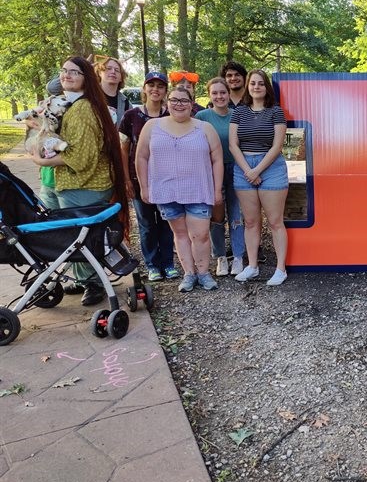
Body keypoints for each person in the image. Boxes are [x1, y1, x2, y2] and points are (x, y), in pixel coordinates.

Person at [31, 56, 129, 306]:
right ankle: (87, 280)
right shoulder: (70, 105)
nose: (67, 75)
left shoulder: (84, 109)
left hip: (85, 185)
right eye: (64, 71)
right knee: (76, 236)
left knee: (82, 238)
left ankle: (95, 284)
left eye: (74, 72)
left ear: (87, 78)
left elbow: (81, 157)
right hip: (72, 184)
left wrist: (43, 162)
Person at [135, 86, 224, 292]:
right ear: (167, 102)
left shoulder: (204, 128)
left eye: (184, 100)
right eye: (174, 100)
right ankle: (189, 274)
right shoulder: (152, 126)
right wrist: (144, 187)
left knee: (200, 235)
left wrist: (217, 189)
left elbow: (217, 159)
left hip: (198, 190)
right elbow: (142, 157)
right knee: (180, 234)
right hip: (167, 190)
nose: (179, 104)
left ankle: (203, 273)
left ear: (192, 104)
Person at [229, 69, 289, 285]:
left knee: (275, 221)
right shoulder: (239, 112)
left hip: (271, 167)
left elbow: (277, 146)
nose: (256, 87)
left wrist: (257, 171)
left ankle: (280, 269)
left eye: (260, 84)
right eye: (253, 83)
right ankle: (252, 266)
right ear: (248, 86)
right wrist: (247, 170)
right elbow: (233, 144)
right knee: (251, 222)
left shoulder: (275, 111)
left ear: (266, 88)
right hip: (243, 166)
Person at [118, 71, 178, 282]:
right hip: (138, 179)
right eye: (151, 85)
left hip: (167, 179)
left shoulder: (170, 115)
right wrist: (126, 180)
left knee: (167, 221)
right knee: (146, 224)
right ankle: (152, 264)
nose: (155, 89)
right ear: (144, 89)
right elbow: (124, 149)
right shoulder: (131, 116)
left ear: (165, 91)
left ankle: (169, 263)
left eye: (160, 86)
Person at [196, 78, 246, 276]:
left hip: (236, 169)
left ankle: (239, 256)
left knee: (236, 214)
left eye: (222, 92)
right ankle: (221, 257)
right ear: (209, 95)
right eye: (215, 93)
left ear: (228, 94)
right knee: (216, 216)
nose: (219, 96)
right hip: (211, 171)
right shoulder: (202, 116)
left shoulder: (238, 115)